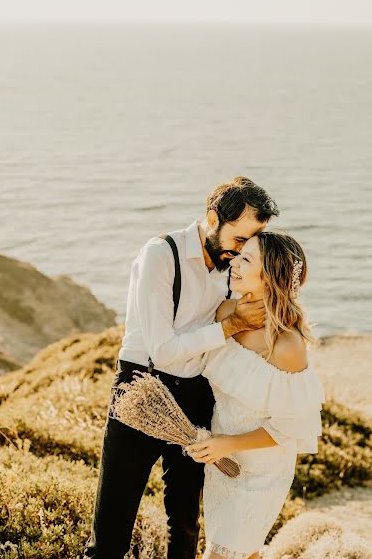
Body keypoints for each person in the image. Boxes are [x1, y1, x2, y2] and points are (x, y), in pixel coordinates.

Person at [84, 176, 280, 559]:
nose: (241, 254)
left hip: (196, 395)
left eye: (250, 246)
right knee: (110, 531)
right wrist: (230, 326)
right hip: (142, 391)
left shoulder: (232, 266)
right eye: (239, 241)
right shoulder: (160, 255)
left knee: (186, 526)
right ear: (212, 218)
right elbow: (163, 350)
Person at [186, 232, 325, 559]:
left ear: (269, 277)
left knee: (221, 554)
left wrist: (226, 443)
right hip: (221, 465)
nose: (233, 262)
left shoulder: (287, 346)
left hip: (262, 472)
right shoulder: (225, 314)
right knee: (240, 551)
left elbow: (291, 429)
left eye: (246, 259)